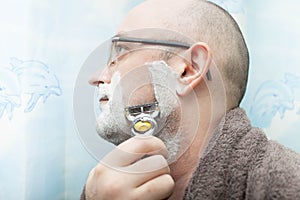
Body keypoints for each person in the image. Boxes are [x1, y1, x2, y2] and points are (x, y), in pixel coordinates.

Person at [81, 0, 300, 199]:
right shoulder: (105, 189)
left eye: (122, 50)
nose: (97, 78)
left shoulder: (288, 185)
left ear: (188, 70)